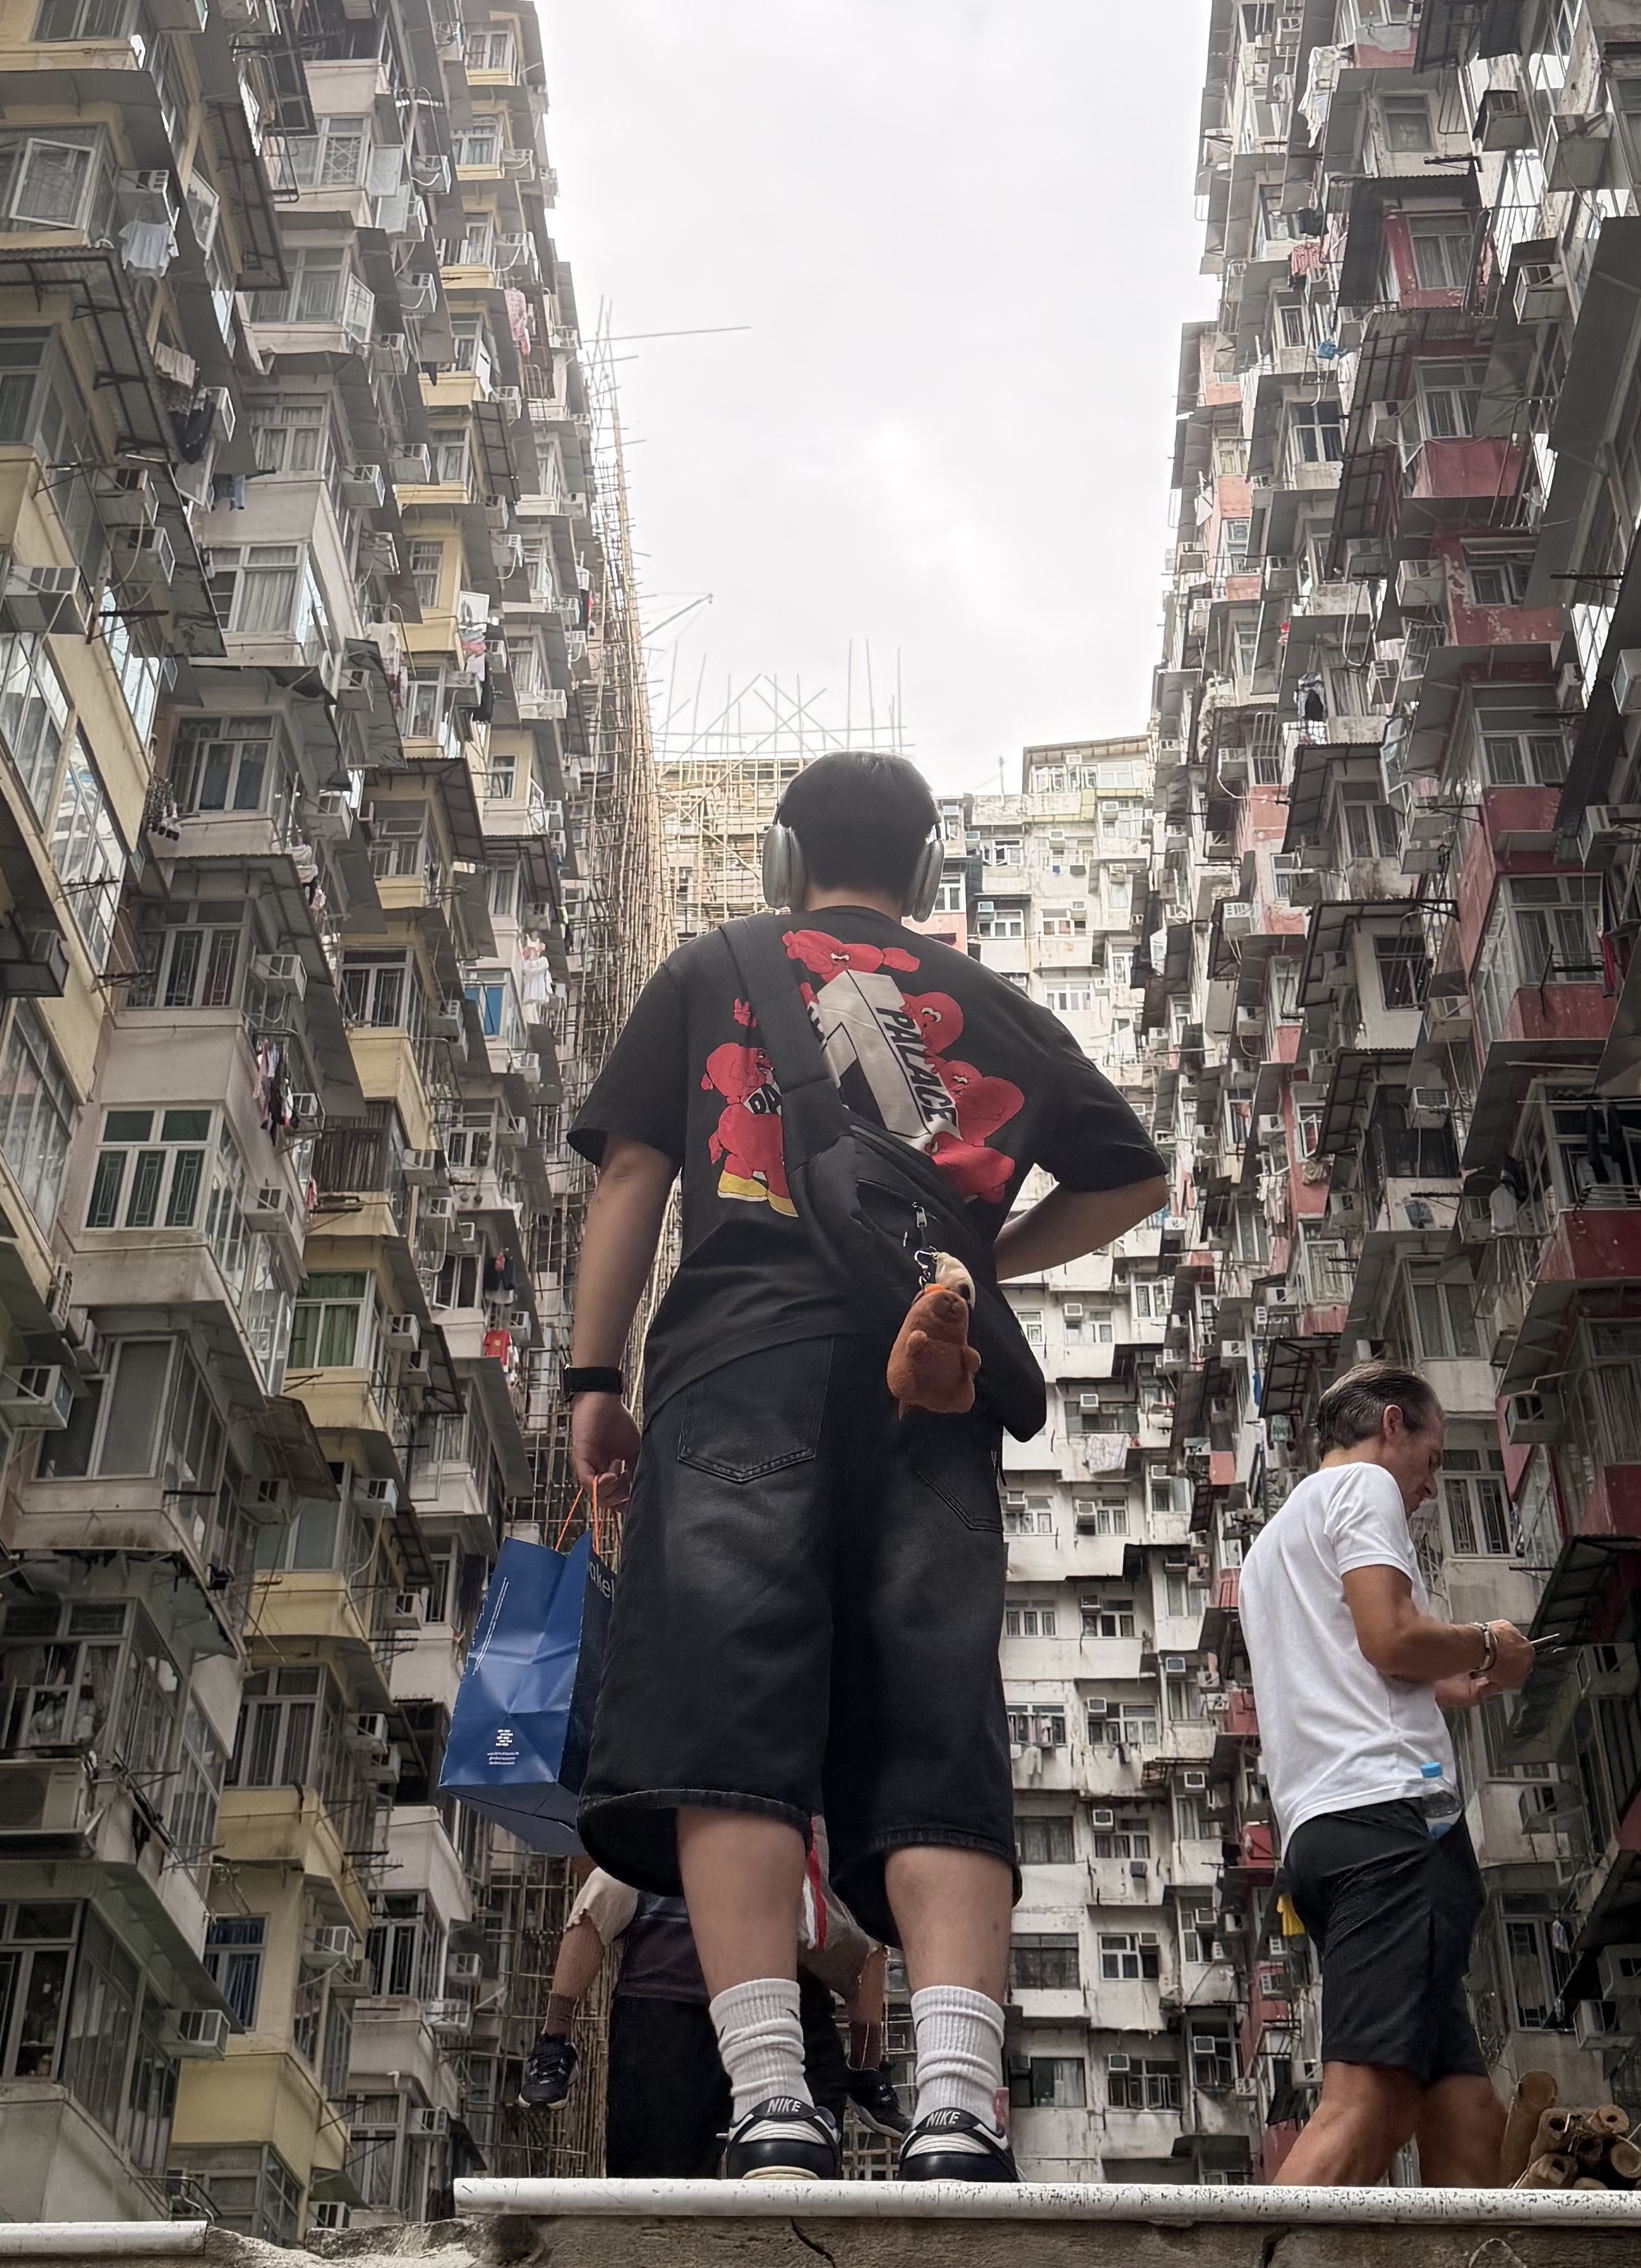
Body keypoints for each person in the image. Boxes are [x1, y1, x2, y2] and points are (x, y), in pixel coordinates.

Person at [560, 751, 1169, 2180]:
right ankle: (960, 2105)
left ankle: (775, 2098)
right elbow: (1134, 1173)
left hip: (740, 1354)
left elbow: (634, 1177)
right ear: (928, 869)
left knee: (735, 1718)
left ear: (784, 859)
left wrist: (595, 1380)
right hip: (925, 1366)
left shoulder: (716, 961)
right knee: (931, 1714)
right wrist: (976, 1262)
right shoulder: (994, 1003)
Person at [1237, 1361, 1537, 2185]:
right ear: (1393, 1424)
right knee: (1367, 2103)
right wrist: (1487, 1645)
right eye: (1434, 1461)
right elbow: (1390, 1636)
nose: (1428, 1488)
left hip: (1324, 1835)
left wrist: (1443, 1684)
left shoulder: (1270, 1543)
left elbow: (1340, 1666)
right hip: (1392, 1827)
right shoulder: (1362, 1488)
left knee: (1462, 2109)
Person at [516, 1866, 904, 2176]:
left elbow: (865, 1955)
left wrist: (865, 2063)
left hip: (785, 2004)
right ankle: (553, 2041)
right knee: (659, 2185)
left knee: (798, 2171)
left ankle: (867, 2073)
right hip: (670, 2008)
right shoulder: (647, 1851)